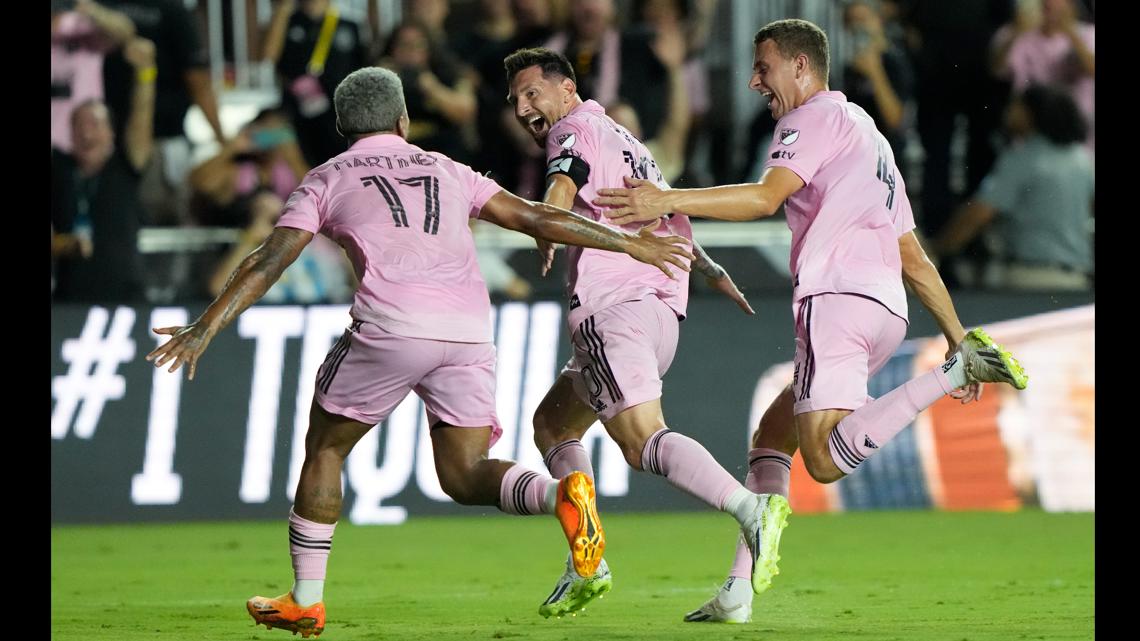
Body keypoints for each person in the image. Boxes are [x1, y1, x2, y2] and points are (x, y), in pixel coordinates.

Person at [144, 66, 694, 638]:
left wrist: (207, 325)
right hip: (467, 333)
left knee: (325, 448)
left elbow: (270, 258)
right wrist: (631, 241)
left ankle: (306, 599)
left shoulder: (327, 177)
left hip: (391, 326)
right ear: (404, 120)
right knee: (464, 473)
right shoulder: (448, 169)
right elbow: (537, 216)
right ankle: (562, 494)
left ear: (340, 125)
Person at [591, 19, 1030, 623]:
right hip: (884, 311)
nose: (753, 81)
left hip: (837, 300)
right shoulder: (868, 137)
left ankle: (950, 377)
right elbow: (913, 255)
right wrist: (957, 330)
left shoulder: (811, 120)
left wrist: (666, 199)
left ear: (801, 67)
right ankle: (738, 593)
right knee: (772, 439)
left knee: (822, 461)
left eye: (763, 67)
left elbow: (764, 198)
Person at [502, 47, 783, 619]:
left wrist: (547, 220)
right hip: (655, 313)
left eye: (533, 93)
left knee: (642, 441)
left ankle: (749, 509)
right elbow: (662, 213)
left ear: (567, 89)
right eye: (515, 101)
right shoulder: (623, 138)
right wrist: (711, 269)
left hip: (615, 310)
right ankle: (587, 559)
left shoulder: (573, 131)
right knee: (553, 424)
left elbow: (563, 180)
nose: (524, 107)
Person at [934, 83, 1093, 291]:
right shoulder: (1083, 160)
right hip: (1078, 280)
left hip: (1030, 278)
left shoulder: (1022, 158)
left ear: (1031, 113)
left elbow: (978, 214)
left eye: (1015, 106)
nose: (1008, 112)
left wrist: (936, 249)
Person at [51, 37, 156, 303]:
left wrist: (146, 73)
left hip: (126, 297)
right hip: (68, 301)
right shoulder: (59, 169)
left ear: (111, 132)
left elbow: (141, 121)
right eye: (79, 125)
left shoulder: (125, 165)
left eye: (95, 124)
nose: (87, 132)